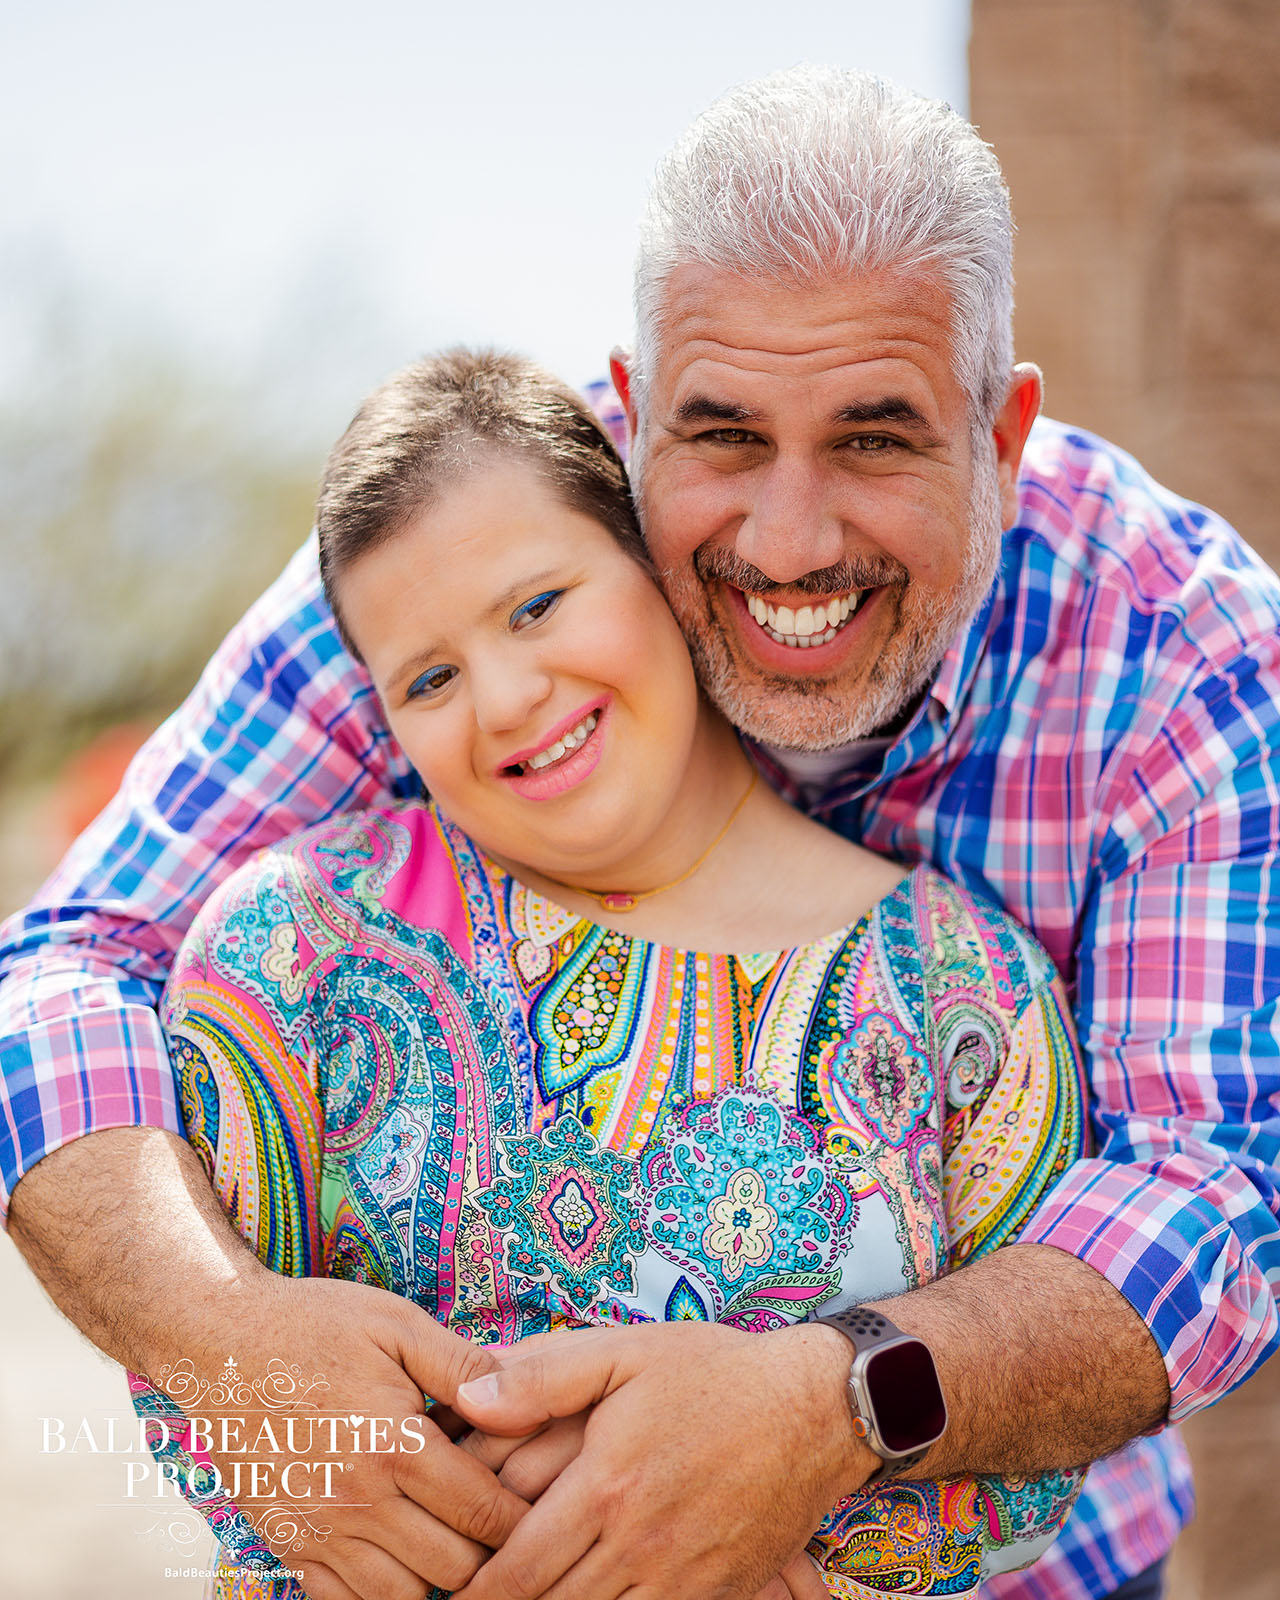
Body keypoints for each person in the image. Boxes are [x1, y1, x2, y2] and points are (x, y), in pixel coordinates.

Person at [2, 64, 1277, 1600]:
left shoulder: (1184, 662)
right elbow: (71, 962)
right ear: (632, 413)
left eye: (875, 438)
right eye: (723, 435)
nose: (789, 541)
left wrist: (828, 1415)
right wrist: (229, 1343)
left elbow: (1213, 1198)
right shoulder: (484, 541)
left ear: (1001, 437)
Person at [130, 347, 1086, 1599]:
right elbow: (193, 1383)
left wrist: (759, 1534)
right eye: (429, 677)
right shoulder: (288, 951)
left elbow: (1023, 1470)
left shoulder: (969, 989)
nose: (505, 698)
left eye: (536, 606)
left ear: (655, 568)